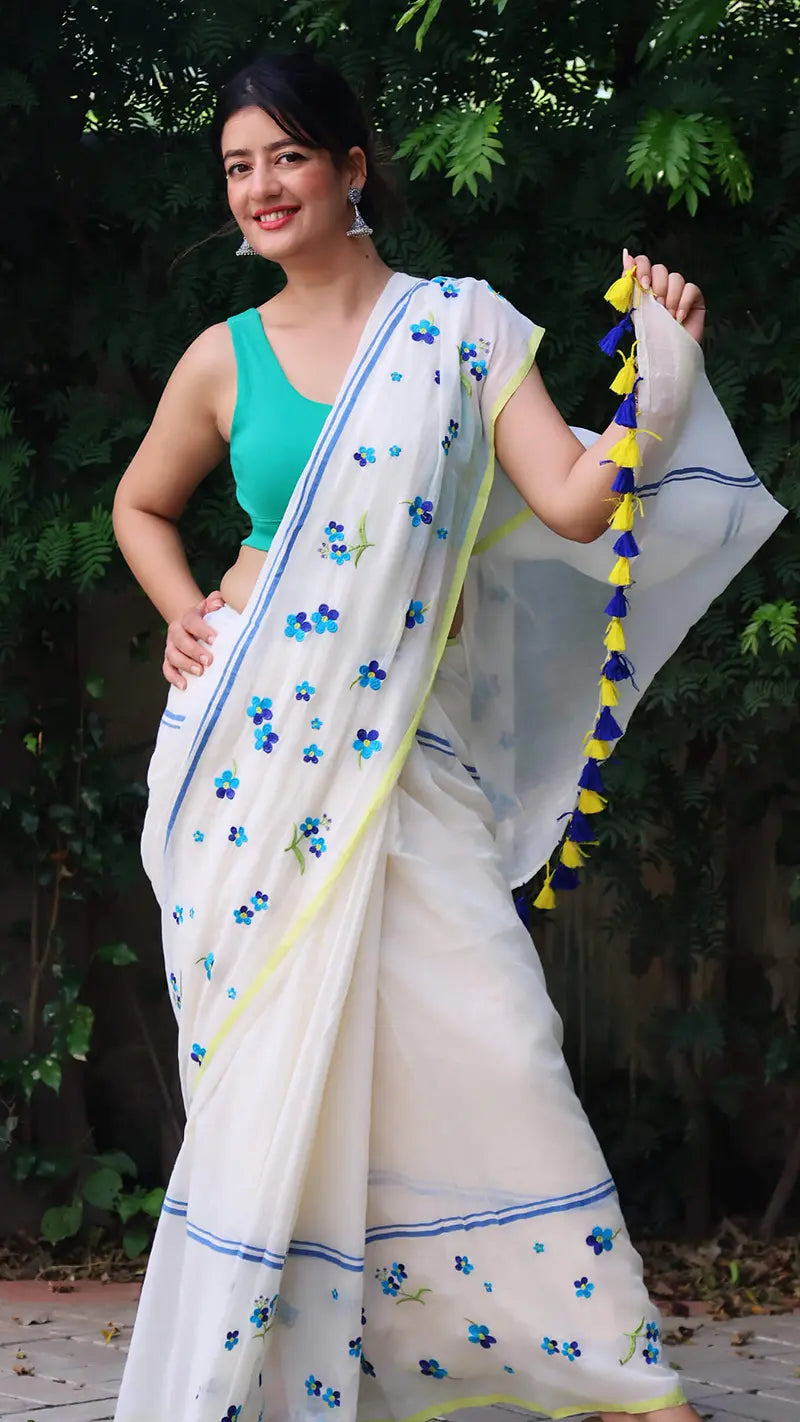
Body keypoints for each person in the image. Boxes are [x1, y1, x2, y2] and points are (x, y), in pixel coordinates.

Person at [111, 49, 783, 1422]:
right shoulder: (219, 360)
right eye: (238, 168)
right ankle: (269, 1369)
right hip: (248, 757)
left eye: (286, 157)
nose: (260, 189)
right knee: (267, 1065)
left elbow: (577, 500)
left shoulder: (462, 329)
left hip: (404, 762)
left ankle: (608, 1372)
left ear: (352, 166)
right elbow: (139, 506)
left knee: (497, 1032)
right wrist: (184, 609)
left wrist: (661, 383)